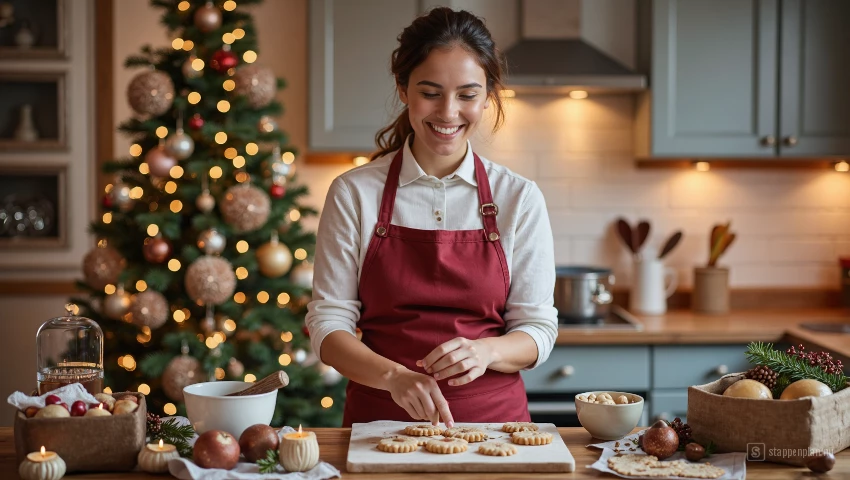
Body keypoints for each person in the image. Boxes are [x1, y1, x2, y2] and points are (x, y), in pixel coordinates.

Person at [306, 7, 557, 428]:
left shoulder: (519, 198)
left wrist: (488, 352)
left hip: (496, 430)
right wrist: (394, 376)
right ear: (403, 89)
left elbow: (537, 329)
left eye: (467, 94)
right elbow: (328, 326)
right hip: (380, 425)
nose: (448, 112)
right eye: (431, 91)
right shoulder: (354, 193)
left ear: (488, 95)